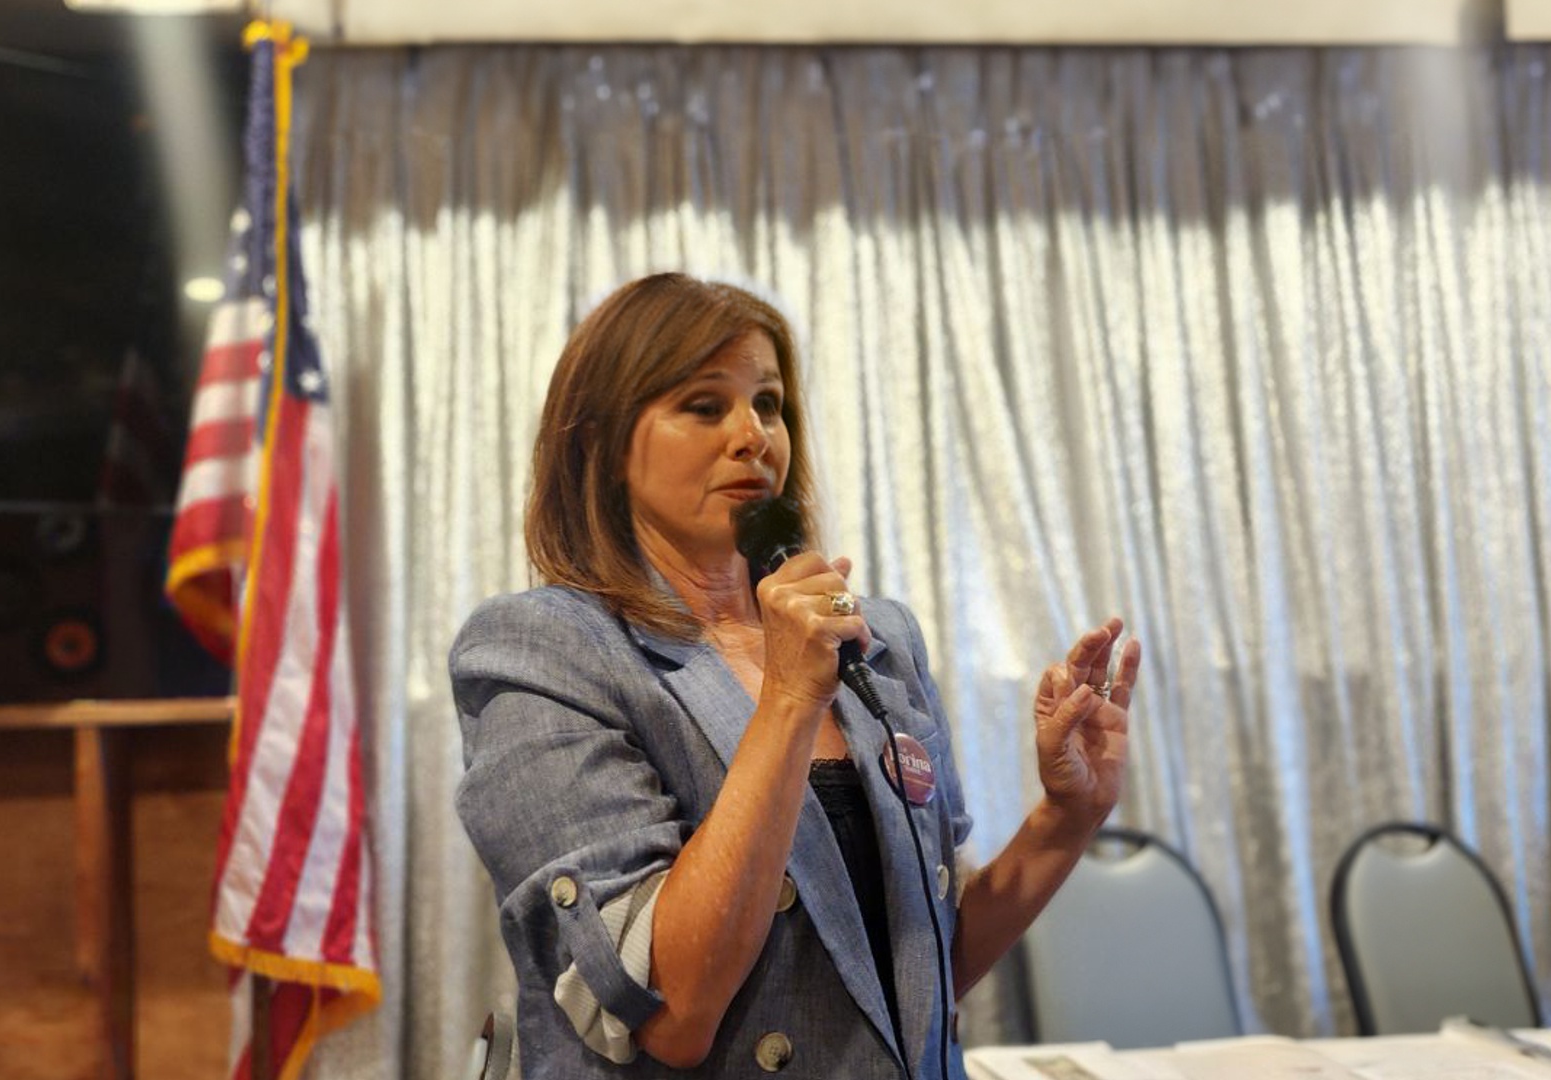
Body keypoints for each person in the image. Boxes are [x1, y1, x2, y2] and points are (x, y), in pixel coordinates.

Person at [451, 272, 1140, 1078]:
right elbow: (669, 1012)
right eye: (705, 406)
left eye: (769, 404)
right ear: (600, 445)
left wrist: (1065, 818)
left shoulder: (876, 638)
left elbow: (914, 975)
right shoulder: (544, 649)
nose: (754, 436)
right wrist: (786, 696)